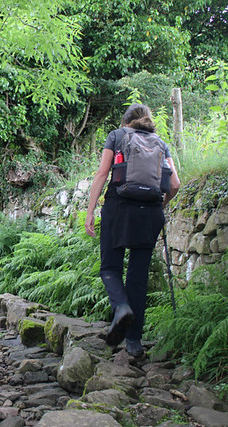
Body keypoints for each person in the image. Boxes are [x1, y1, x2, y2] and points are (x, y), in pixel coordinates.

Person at [85, 103, 181, 358]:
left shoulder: (117, 136)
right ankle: (134, 342)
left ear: (125, 121)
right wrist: (161, 205)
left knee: (110, 268)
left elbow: (103, 172)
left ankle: (122, 307)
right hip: (150, 212)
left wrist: (90, 210)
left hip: (119, 208)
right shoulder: (161, 143)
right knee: (138, 277)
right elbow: (175, 183)